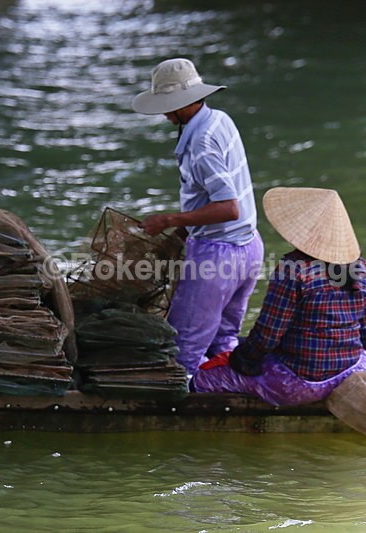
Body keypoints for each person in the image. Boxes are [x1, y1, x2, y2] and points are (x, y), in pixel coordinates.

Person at [132, 58, 263, 375]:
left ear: (180, 104)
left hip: (217, 258)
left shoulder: (201, 142)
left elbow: (228, 207)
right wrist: (187, 227)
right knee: (224, 340)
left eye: (167, 105)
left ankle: (181, 407)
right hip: (249, 247)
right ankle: (226, 391)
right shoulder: (219, 119)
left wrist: (169, 220)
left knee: (183, 351)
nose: (164, 113)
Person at [191, 187, 366, 406]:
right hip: (351, 372)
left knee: (201, 381)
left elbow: (268, 334)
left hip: (301, 382)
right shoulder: (360, 267)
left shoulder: (294, 268)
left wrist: (241, 360)